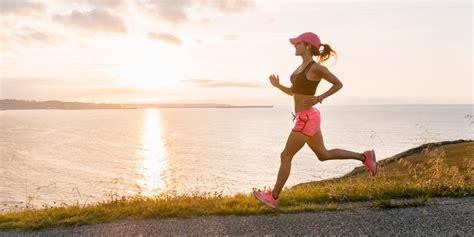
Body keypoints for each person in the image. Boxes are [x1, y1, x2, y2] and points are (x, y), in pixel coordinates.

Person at [253, 32, 377, 209]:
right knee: (323, 155)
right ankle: (364, 157)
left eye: (297, 43)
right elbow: (294, 92)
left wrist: (320, 97)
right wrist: (278, 86)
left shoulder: (315, 68)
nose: (294, 46)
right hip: (306, 117)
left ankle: (273, 197)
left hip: (306, 119)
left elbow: (338, 84)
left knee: (286, 156)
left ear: (308, 46)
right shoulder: (300, 68)